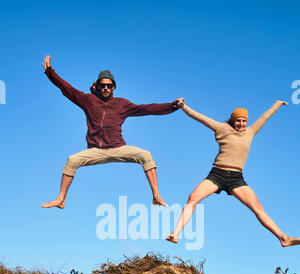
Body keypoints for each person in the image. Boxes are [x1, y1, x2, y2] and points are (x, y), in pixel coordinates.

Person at [41, 55, 182, 209]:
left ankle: (156, 196)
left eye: (109, 85)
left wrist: (172, 106)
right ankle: (61, 200)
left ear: (114, 87)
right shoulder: (87, 100)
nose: (106, 88)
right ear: (98, 87)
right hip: (96, 151)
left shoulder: (122, 104)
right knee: (72, 160)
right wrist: (50, 72)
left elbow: (147, 108)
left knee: (146, 155)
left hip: (118, 148)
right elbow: (66, 88)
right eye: (102, 85)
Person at [167, 99, 300, 247]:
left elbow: (265, 117)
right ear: (232, 120)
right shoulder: (222, 128)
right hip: (217, 174)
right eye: (238, 120)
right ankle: (175, 233)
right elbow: (200, 117)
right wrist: (184, 107)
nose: (241, 124)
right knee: (192, 198)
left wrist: (277, 104)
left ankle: (283, 238)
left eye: (244, 121)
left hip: (236, 178)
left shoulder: (250, 131)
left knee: (258, 208)